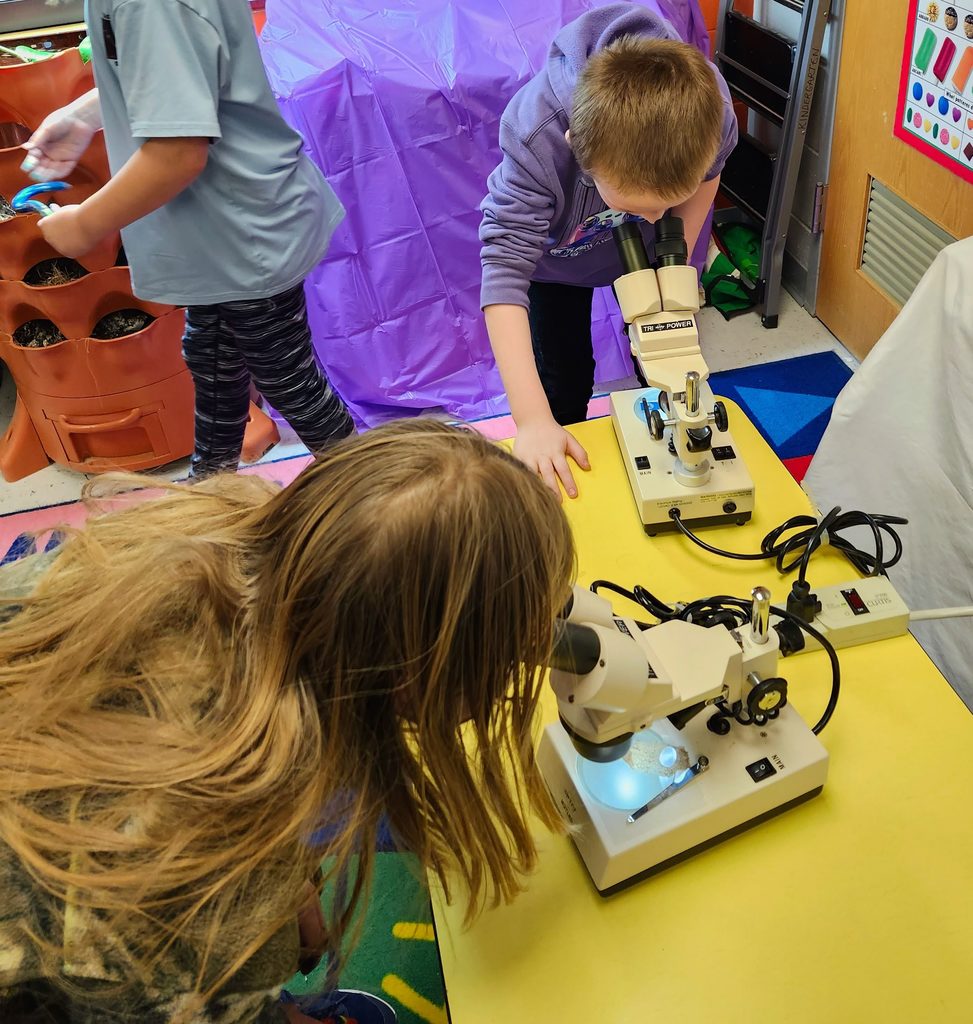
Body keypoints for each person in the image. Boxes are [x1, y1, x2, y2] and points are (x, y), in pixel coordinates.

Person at [0, 419, 575, 1024]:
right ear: (417, 681)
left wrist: (288, 884)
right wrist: (258, 967)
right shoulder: (213, 887)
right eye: (505, 659)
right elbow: (179, 962)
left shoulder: (228, 532)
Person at [21, 0, 354, 477]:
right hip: (218, 237)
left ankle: (377, 501)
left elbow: (176, 154)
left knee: (288, 379)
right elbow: (178, 72)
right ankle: (210, 487)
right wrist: (84, 114)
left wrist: (82, 227)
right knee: (212, 357)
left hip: (242, 235)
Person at [480, 2, 737, 499]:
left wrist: (674, 266)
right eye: (637, 205)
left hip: (646, 256)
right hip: (555, 264)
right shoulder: (538, 134)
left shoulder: (710, 109)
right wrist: (532, 420)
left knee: (667, 356)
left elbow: (711, 173)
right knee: (565, 379)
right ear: (578, 148)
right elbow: (503, 274)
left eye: (665, 203)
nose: (654, 218)